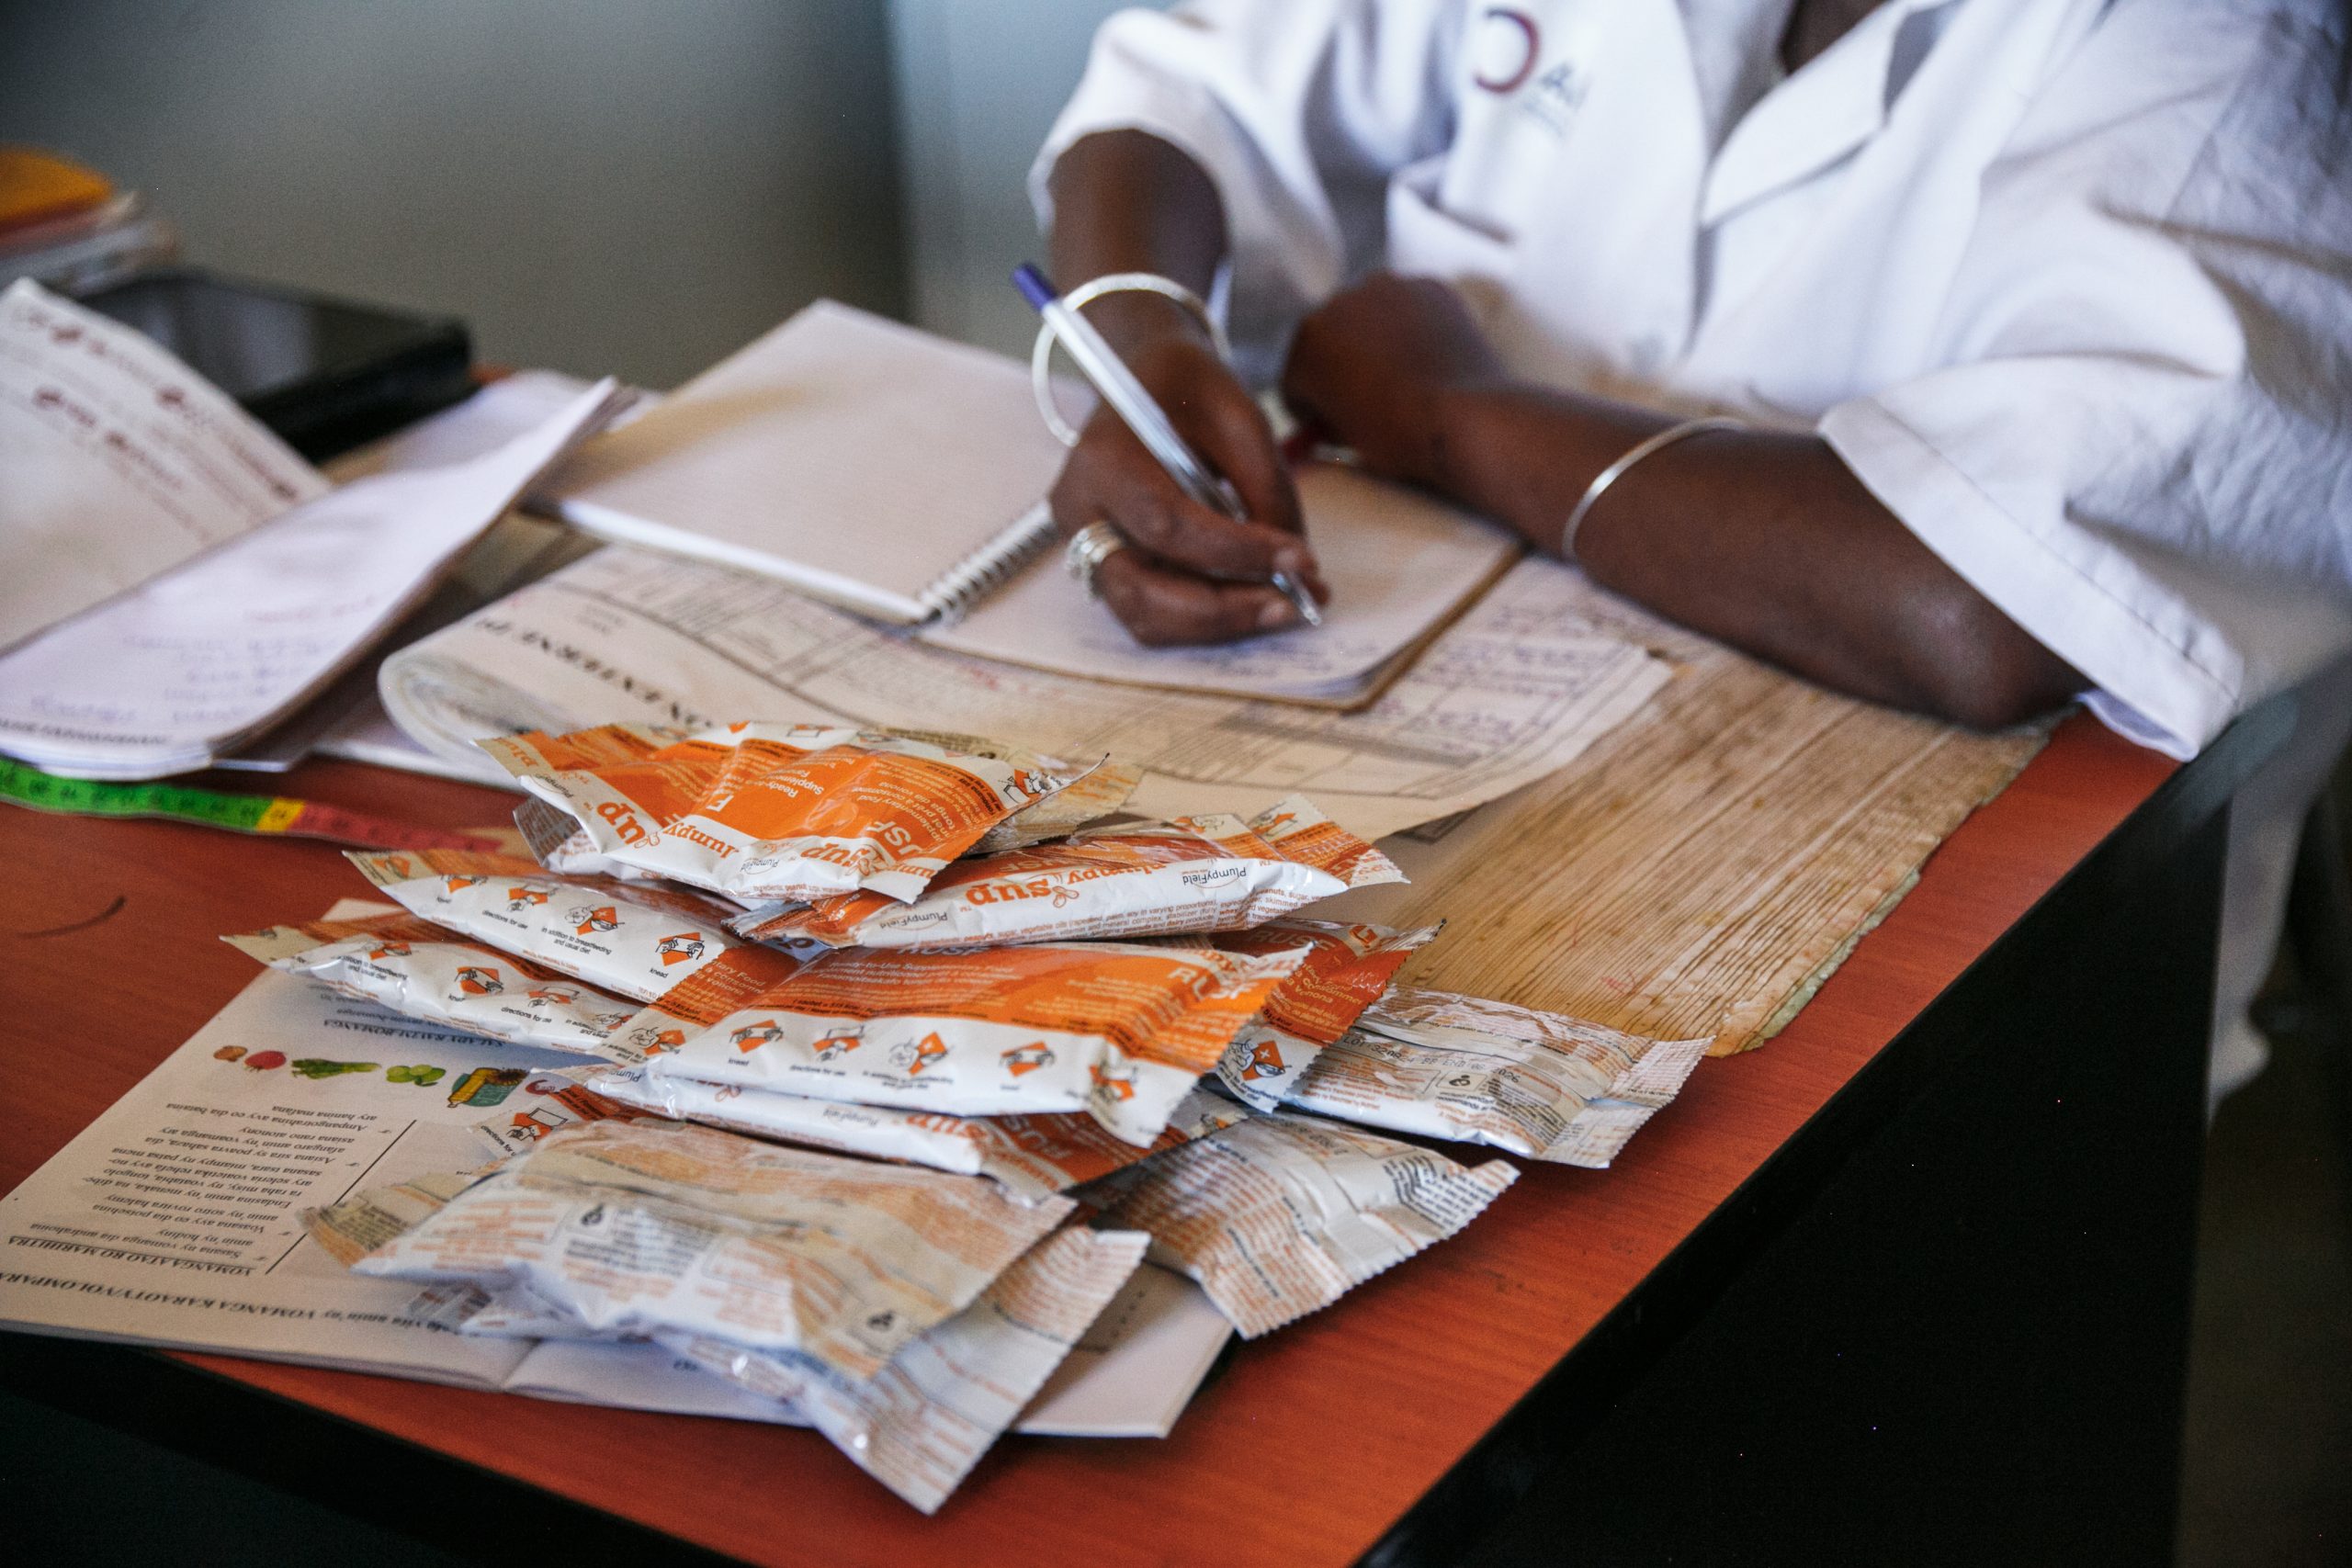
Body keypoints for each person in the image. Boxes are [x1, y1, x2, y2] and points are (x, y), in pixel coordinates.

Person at [1029, 0, 2352, 1100]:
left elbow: (1988, 599)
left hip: (1943, 983)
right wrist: (1139, 327)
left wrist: (1451, 419)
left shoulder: (2227, 39)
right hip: (1446, 782)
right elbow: (1193, 94)